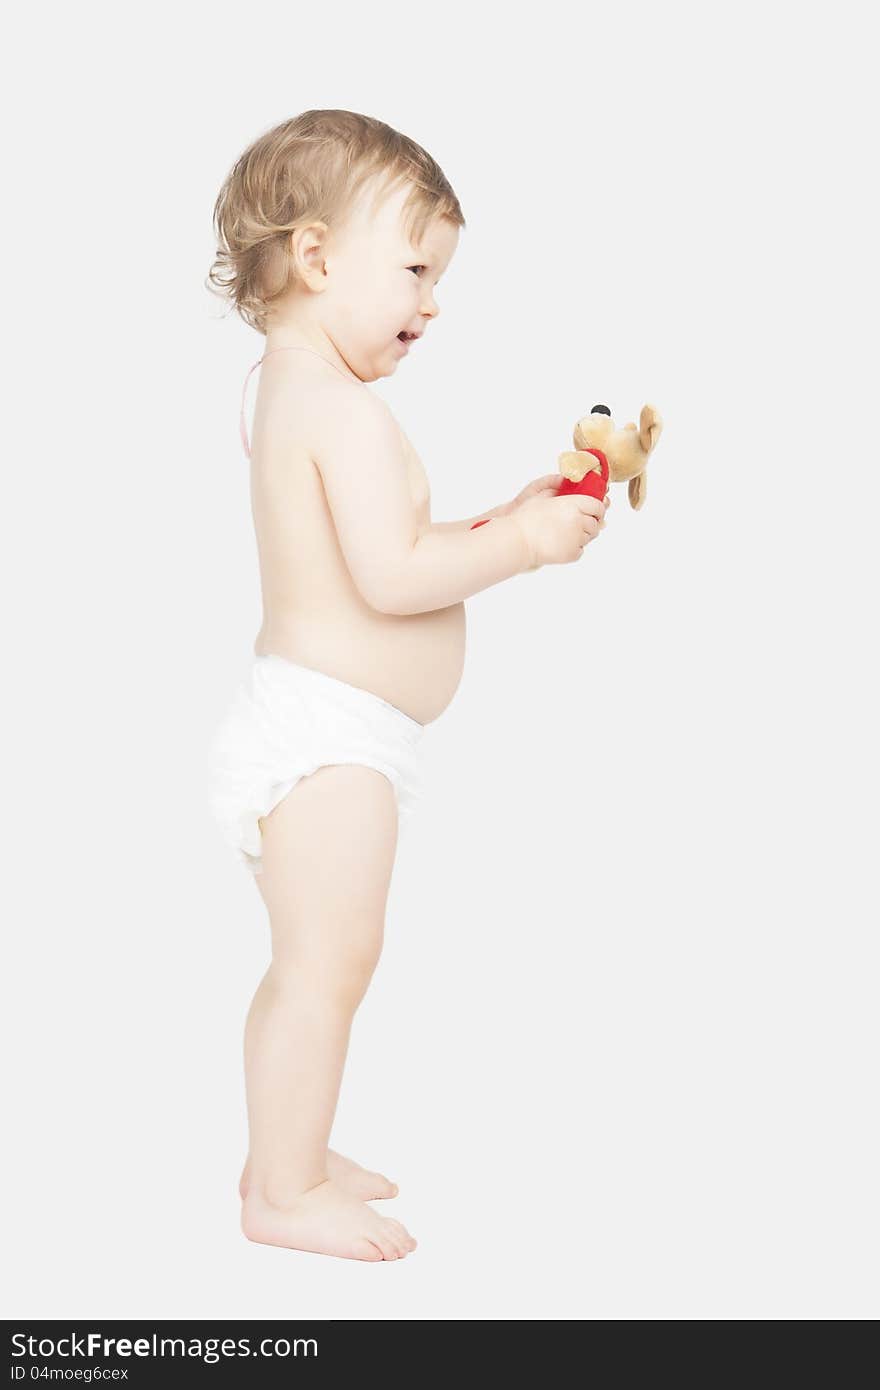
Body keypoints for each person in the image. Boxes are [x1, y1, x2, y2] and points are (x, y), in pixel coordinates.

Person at [206, 109, 608, 1261]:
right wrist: (525, 545)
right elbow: (392, 576)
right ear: (320, 257)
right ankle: (281, 1191)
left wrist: (500, 514)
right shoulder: (350, 411)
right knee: (324, 967)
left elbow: (380, 546)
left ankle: (287, 1146)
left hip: (313, 722)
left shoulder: (284, 389)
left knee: (314, 966)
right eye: (417, 268)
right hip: (330, 741)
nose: (432, 303)